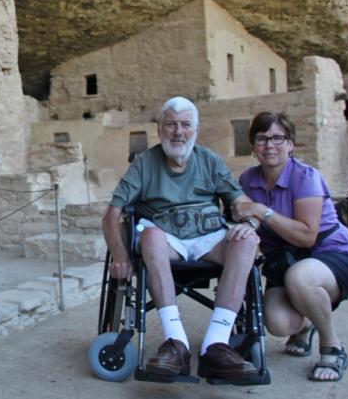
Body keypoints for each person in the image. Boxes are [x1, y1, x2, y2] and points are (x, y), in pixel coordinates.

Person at [101, 96, 260, 382]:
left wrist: (249, 222)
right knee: (149, 235)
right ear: (160, 128)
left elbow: (241, 202)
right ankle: (177, 343)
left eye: (185, 125)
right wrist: (121, 256)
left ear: (195, 131)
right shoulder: (144, 163)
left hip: (209, 237)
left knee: (246, 241)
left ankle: (217, 343)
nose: (178, 132)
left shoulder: (209, 160)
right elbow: (112, 214)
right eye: (171, 124)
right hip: (167, 241)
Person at [234, 112, 348, 382]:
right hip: (286, 260)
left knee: (301, 277)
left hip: (332, 256)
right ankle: (304, 327)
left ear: (290, 144)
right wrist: (247, 223)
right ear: (253, 145)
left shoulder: (305, 176)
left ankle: (333, 347)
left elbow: (307, 236)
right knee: (279, 323)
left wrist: (262, 211)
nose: (269, 145)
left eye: (277, 138)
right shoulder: (248, 179)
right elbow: (246, 216)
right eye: (261, 139)